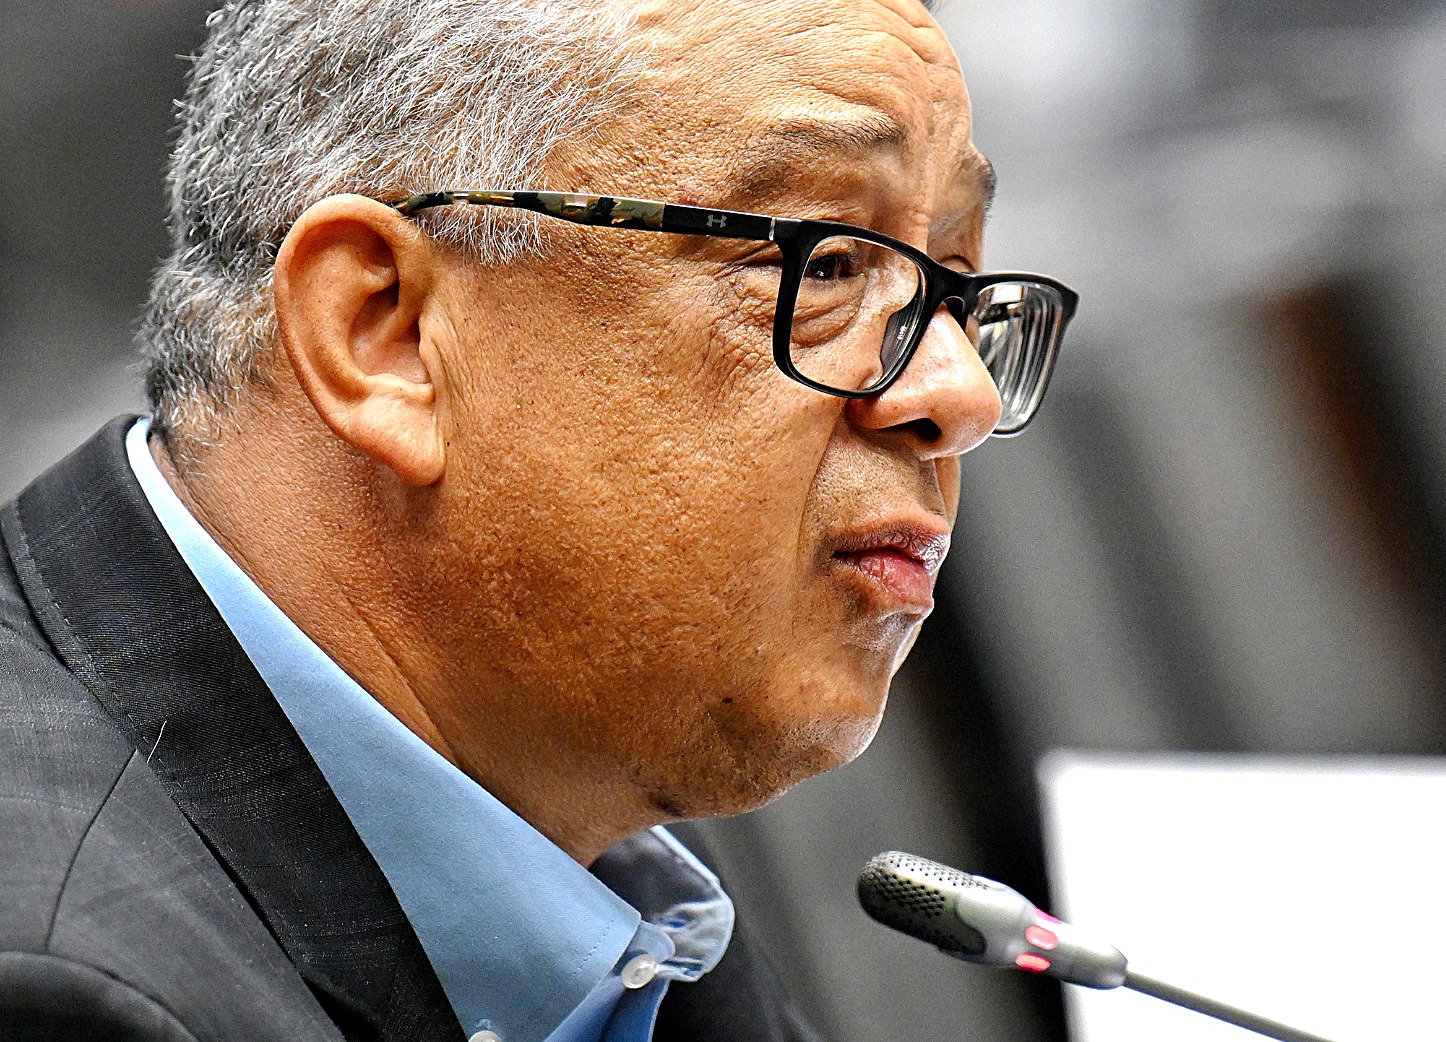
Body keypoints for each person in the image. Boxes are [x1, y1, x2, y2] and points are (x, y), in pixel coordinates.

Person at [0, 0, 1076, 1039]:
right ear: (388, 335)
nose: (961, 392)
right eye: (827, 264)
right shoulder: (66, 988)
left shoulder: (591, 852)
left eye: (959, 281)